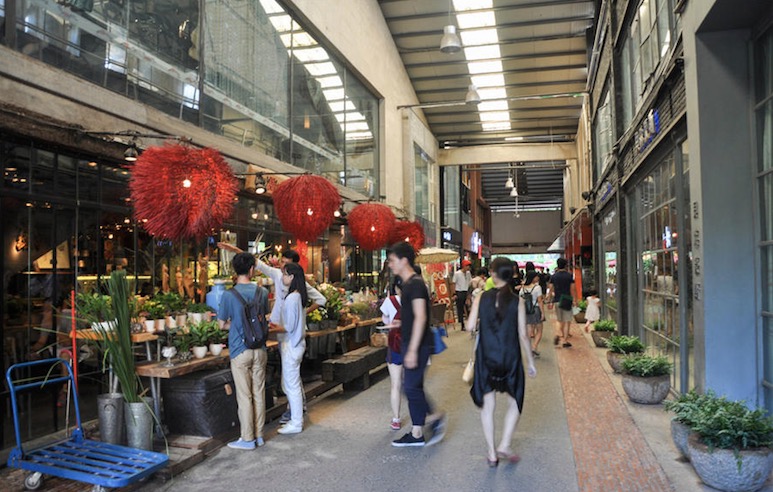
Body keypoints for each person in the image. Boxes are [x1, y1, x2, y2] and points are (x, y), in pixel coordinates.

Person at [217, 243, 326, 425]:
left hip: (288, 334)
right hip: (280, 332)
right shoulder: (278, 276)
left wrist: (301, 314)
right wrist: (236, 250)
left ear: (293, 271)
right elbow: (255, 264)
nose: (281, 267)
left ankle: (295, 413)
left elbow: (321, 300)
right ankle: (296, 409)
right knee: (290, 374)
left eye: (286, 265)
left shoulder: (297, 290)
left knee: (290, 376)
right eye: (281, 263)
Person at [465, 257, 537, 467]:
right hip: (510, 357)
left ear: (494, 274)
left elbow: (470, 327)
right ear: (512, 274)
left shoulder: (481, 298)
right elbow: (524, 335)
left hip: (486, 357)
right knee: (515, 400)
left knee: (488, 405)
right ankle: (504, 443)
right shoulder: (518, 301)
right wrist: (530, 362)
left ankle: (491, 453)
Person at [388, 242, 446, 448]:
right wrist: (401, 322)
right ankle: (419, 430)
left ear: (404, 261)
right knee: (413, 386)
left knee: (410, 386)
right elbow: (415, 317)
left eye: (393, 260)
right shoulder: (410, 284)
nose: (390, 265)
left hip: (418, 345)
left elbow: (422, 318)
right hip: (412, 342)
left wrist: (412, 349)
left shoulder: (416, 284)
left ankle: (428, 423)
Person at [218, 253, 269, 450]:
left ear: (235, 270)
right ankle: (259, 435)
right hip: (260, 349)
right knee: (259, 392)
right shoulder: (262, 292)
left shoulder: (229, 295)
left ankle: (247, 439)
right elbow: (263, 317)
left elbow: (222, 324)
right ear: (251, 270)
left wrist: (235, 323)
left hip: (240, 350)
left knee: (244, 396)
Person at [271, 262, 308, 434]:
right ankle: (296, 420)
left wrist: (272, 328)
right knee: (292, 384)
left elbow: (290, 326)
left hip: (291, 345)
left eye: (285, 274)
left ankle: (296, 422)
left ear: (291, 276)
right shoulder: (298, 295)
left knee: (291, 385)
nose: (283, 277)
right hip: (297, 344)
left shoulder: (293, 297)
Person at [380, 278, 403, 431]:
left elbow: (385, 319)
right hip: (412, 345)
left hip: (395, 344)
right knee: (412, 384)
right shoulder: (415, 300)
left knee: (396, 384)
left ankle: (396, 419)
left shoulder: (390, 300)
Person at [548, 258, 576, 348]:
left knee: (559, 320)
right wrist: (574, 300)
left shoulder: (554, 276)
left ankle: (557, 334)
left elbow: (550, 289)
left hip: (557, 299)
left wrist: (549, 300)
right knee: (567, 320)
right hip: (567, 299)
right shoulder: (569, 276)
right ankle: (565, 340)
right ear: (565, 265)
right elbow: (572, 289)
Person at [522, 271, 545, 357]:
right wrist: (542, 313)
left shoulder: (523, 288)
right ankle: (534, 347)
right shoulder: (537, 287)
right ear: (533, 278)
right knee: (539, 330)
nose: (538, 278)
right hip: (536, 310)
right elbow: (540, 301)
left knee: (528, 330)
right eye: (536, 276)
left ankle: (529, 348)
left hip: (526, 311)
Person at [452, 260, 473, 328]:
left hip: (466, 291)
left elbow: (470, 282)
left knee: (468, 307)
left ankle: (469, 321)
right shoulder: (457, 273)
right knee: (460, 308)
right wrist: (454, 293)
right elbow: (453, 283)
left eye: (469, 266)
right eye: (467, 266)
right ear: (464, 266)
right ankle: (462, 323)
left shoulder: (468, 273)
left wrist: (469, 293)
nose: (468, 267)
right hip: (459, 291)